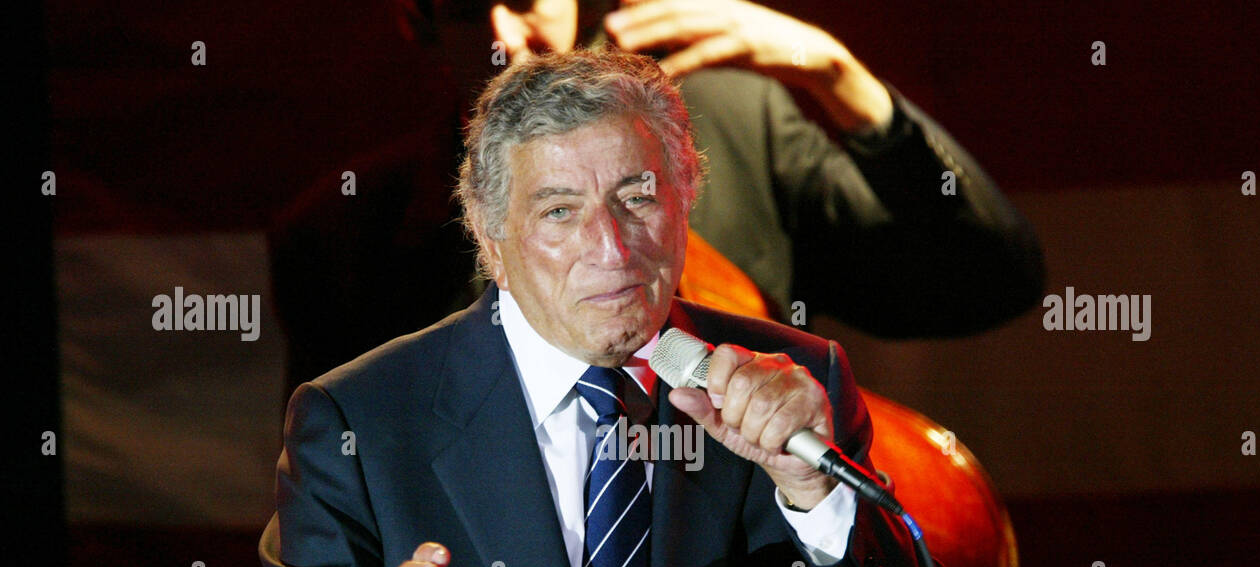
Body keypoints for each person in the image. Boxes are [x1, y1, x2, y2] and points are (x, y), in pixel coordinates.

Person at [233, 47, 970, 567]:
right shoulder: (366, 418)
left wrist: (816, 494)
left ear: (687, 199)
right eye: (559, 210)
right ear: (490, 236)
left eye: (638, 197)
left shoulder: (787, 383)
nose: (612, 247)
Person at [272, 0, 1044, 392]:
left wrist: (837, 75)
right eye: (472, 8)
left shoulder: (740, 127)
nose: (512, 35)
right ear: (420, 23)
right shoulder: (343, 233)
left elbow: (986, 279)